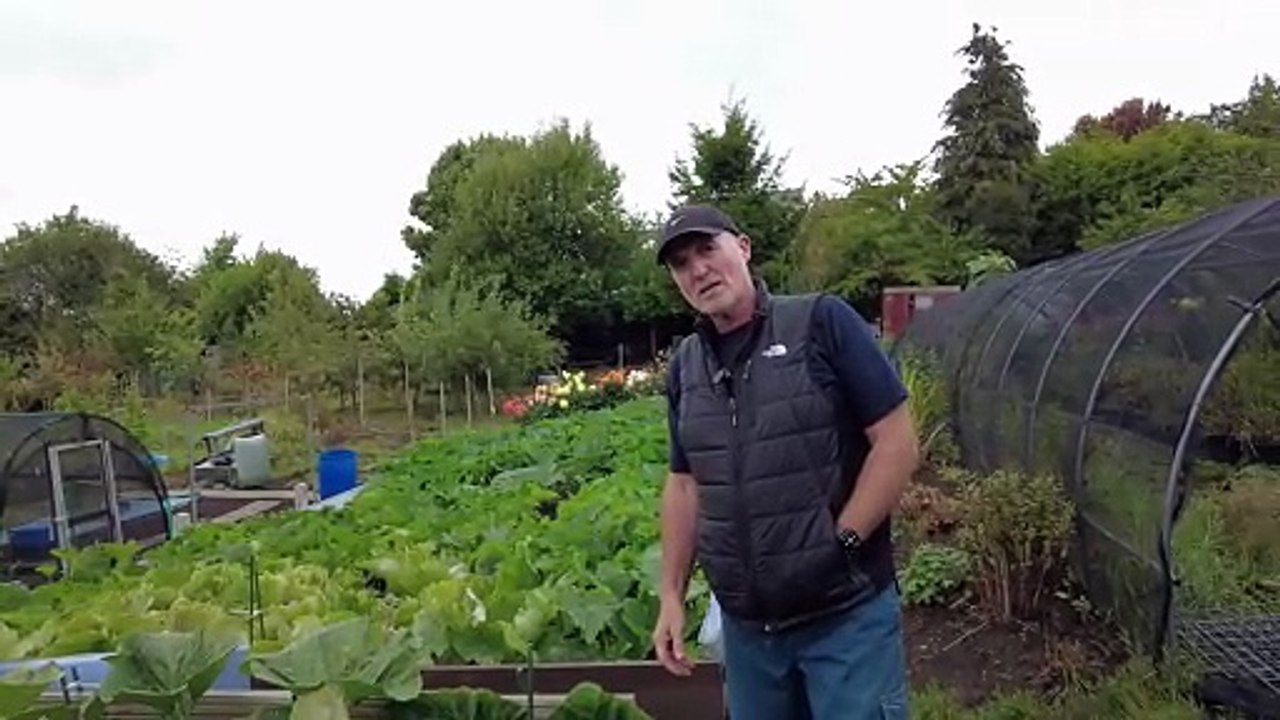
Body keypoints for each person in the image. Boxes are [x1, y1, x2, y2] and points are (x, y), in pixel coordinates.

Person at [651, 204, 920, 720]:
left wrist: (843, 541)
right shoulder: (687, 366)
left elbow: (896, 440)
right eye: (681, 263)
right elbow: (684, 484)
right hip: (750, 631)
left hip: (844, 616)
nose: (699, 269)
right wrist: (670, 593)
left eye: (708, 248)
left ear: (744, 248)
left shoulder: (820, 323)